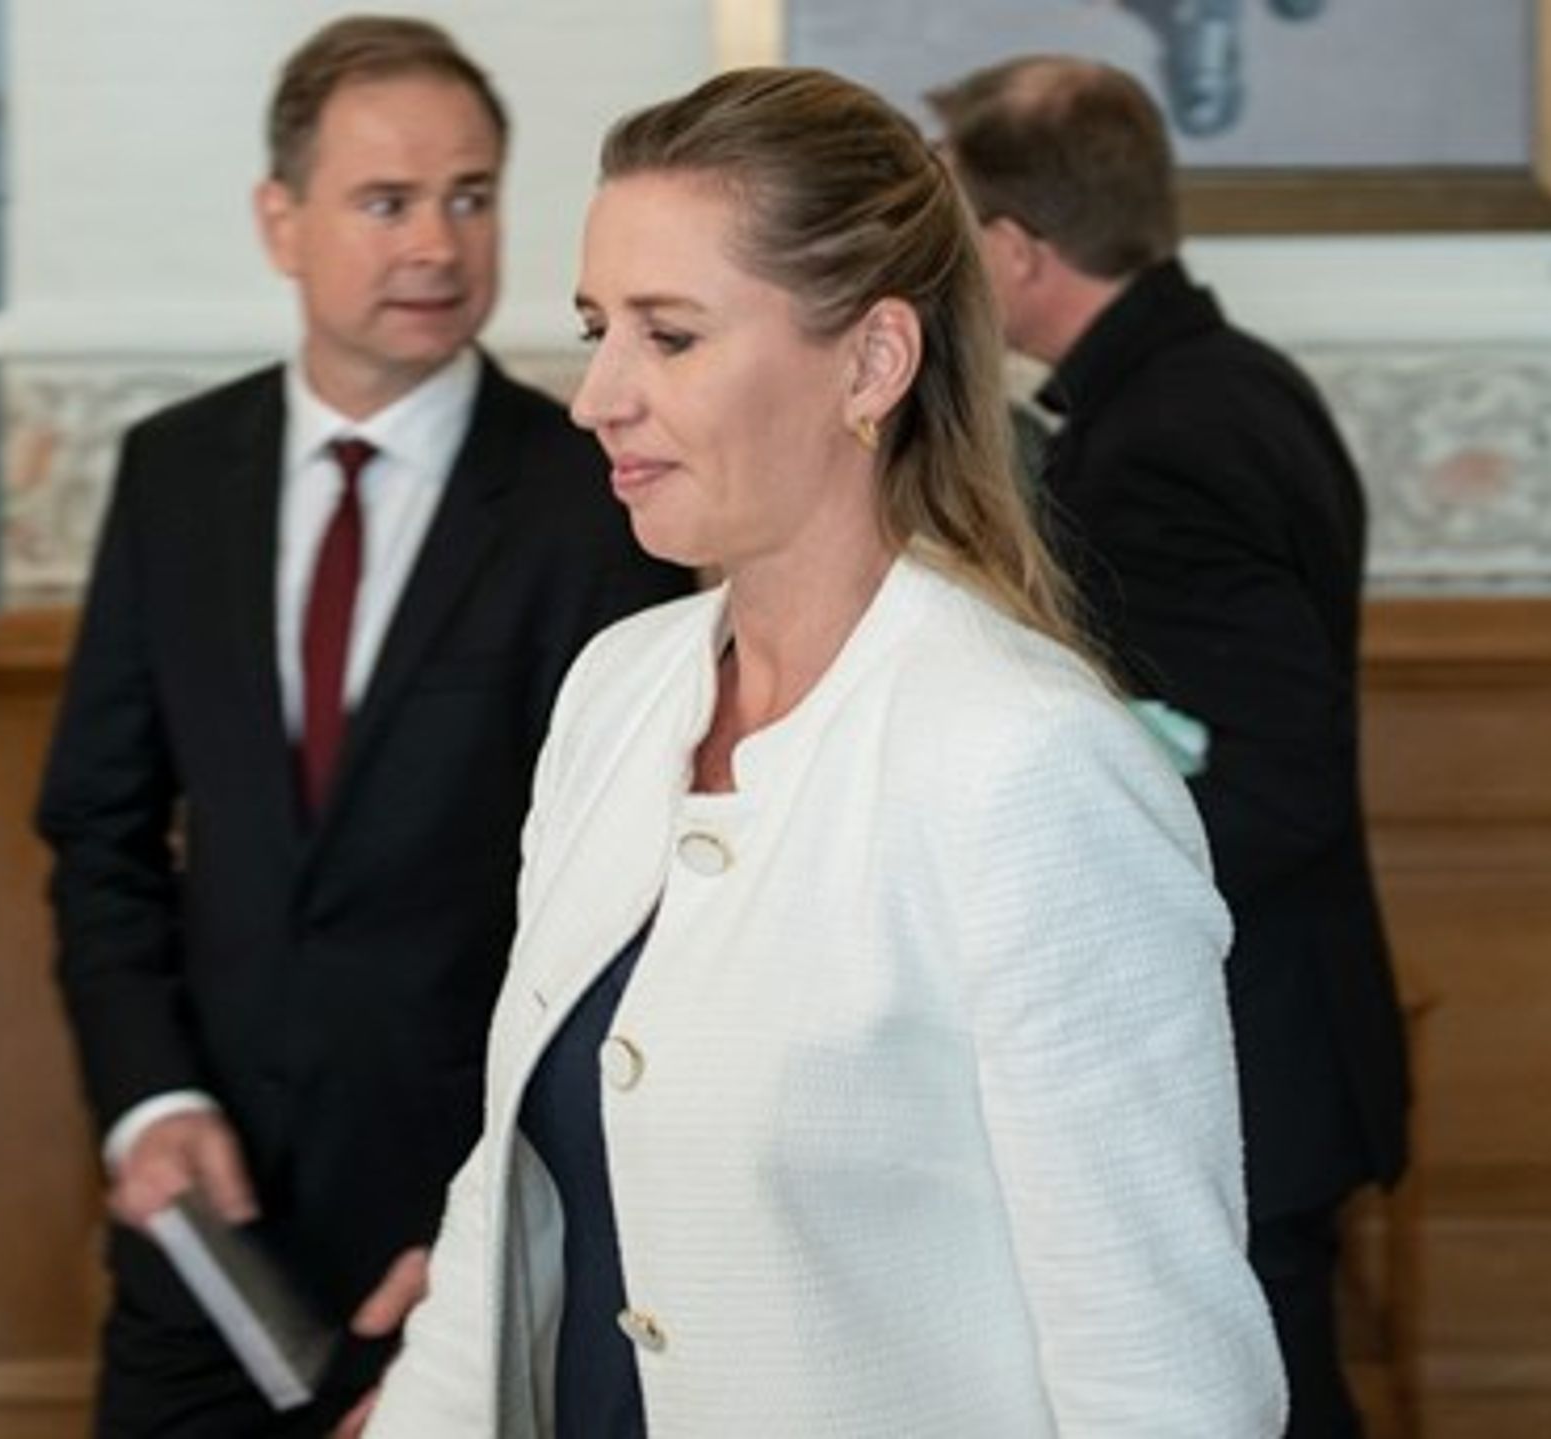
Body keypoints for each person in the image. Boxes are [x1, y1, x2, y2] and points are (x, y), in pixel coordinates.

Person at [366, 67, 1288, 1435]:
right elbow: (509, 1199)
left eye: (669, 336)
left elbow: (1163, 1384)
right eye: (597, 329)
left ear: (871, 363)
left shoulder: (1026, 762)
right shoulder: (617, 694)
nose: (595, 396)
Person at [35, 16, 690, 1437]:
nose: (438, 247)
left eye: (471, 196)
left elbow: (627, 912)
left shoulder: (592, 500)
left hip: (460, 1238)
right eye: (387, 203)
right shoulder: (173, 472)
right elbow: (98, 833)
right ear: (280, 220)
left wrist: (503, 1214)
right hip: (203, 1229)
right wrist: (147, 1101)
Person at [931, 55, 1410, 1436]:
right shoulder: (1238, 380)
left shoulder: (1157, 442)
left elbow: (1274, 781)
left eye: (955, 223)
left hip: (1247, 1045)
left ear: (1015, 250)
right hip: (1286, 1021)